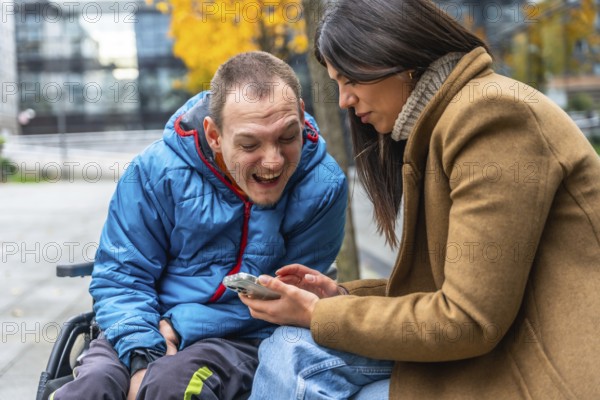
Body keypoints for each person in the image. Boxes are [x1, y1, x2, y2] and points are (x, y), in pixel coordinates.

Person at [241, 0, 600, 398]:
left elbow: (467, 319)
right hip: (501, 354)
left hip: (540, 375)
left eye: (350, 79)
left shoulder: (491, 115)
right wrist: (338, 298)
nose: (344, 100)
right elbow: (451, 291)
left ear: (392, 52)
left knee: (297, 353)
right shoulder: (442, 124)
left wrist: (317, 313)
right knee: (292, 347)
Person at [52, 51, 347, 400]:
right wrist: (143, 357)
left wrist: (177, 328)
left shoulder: (323, 187)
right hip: (140, 322)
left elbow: (283, 305)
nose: (274, 161)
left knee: (175, 386)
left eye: (287, 137)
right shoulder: (153, 173)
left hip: (242, 339)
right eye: (250, 144)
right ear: (213, 134)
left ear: (300, 113)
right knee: (90, 388)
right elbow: (121, 277)